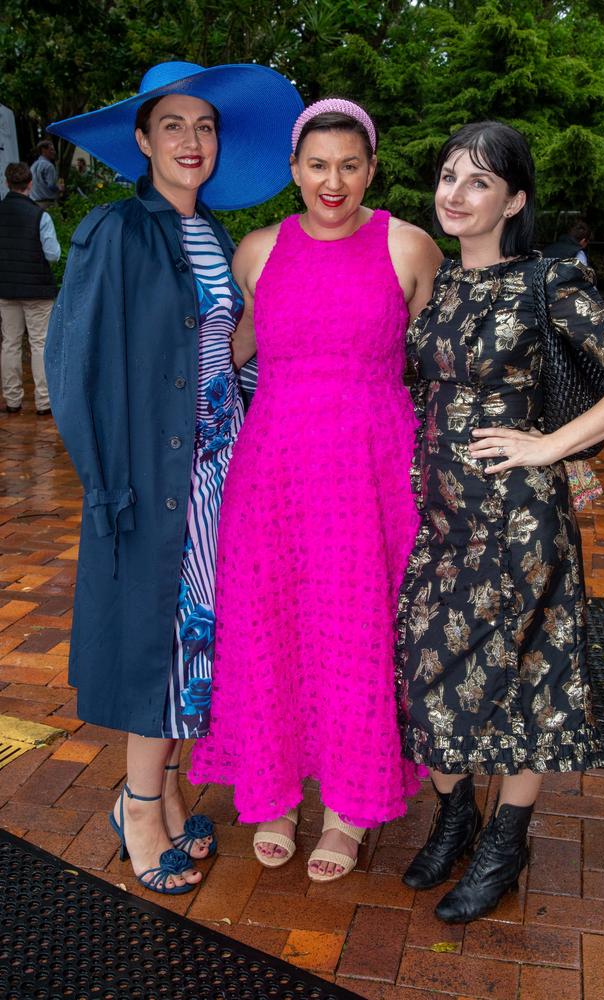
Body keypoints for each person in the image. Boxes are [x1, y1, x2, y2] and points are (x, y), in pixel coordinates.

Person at [44, 61, 303, 895]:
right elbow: (74, 364)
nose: (192, 142)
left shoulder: (216, 238)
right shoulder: (118, 229)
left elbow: (216, 357)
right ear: (143, 140)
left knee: (198, 640)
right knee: (160, 645)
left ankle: (170, 785)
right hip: (153, 477)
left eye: (206, 127)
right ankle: (138, 805)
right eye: (174, 126)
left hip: (219, 466)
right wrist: (103, 480)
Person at [397, 121, 604, 923]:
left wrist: (552, 447)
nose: (456, 194)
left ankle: (507, 843)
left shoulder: (548, 282)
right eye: (448, 176)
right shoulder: (437, 282)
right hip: (438, 518)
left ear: (515, 199)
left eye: (478, 181)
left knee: (523, 681)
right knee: (423, 667)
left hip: (518, 524)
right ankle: (456, 815)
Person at [189, 98, 443, 881]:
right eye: (317, 165)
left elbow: (440, 370)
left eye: (350, 165)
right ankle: (270, 796)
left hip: (372, 473)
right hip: (274, 473)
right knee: (270, 623)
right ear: (294, 170)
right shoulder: (259, 251)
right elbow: (228, 352)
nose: (333, 182)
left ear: (371, 169)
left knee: (355, 630)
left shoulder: (410, 246)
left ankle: (347, 808)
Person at [0, 161, 59, 415]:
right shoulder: (40, 215)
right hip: (37, 288)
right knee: (39, 343)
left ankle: (13, 400)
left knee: (10, 343)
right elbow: (53, 254)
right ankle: (44, 402)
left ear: (6, 184)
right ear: (30, 184)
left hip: (6, 287)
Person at [30, 140, 63, 207]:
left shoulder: (33, 166)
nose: (54, 152)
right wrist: (59, 187)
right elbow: (51, 185)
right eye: (51, 149)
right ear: (43, 150)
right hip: (48, 204)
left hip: (35, 204)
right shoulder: (48, 165)